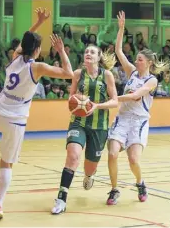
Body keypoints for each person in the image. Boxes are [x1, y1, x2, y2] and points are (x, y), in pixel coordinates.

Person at [0, 8, 74, 219]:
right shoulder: (37, 67)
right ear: (37, 50)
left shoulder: (14, 57)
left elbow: (25, 41)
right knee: (6, 162)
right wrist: (61, 50)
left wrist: (37, 23)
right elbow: (68, 74)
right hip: (15, 120)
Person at [106, 11, 170, 205]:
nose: (136, 61)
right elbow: (118, 51)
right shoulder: (132, 72)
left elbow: (134, 96)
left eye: (140, 59)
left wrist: (113, 98)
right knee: (112, 153)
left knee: (133, 160)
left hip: (139, 122)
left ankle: (140, 183)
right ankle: (114, 189)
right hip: (123, 118)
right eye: (137, 58)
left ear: (149, 63)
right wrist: (121, 29)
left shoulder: (152, 80)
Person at [51, 44, 119, 214]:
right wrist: (77, 103)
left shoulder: (107, 75)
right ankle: (61, 199)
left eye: (92, 52)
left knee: (89, 168)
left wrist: (97, 105)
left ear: (99, 57)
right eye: (86, 51)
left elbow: (115, 101)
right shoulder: (77, 74)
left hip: (99, 127)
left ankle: (89, 175)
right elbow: (71, 98)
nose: (88, 53)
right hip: (78, 122)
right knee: (73, 156)